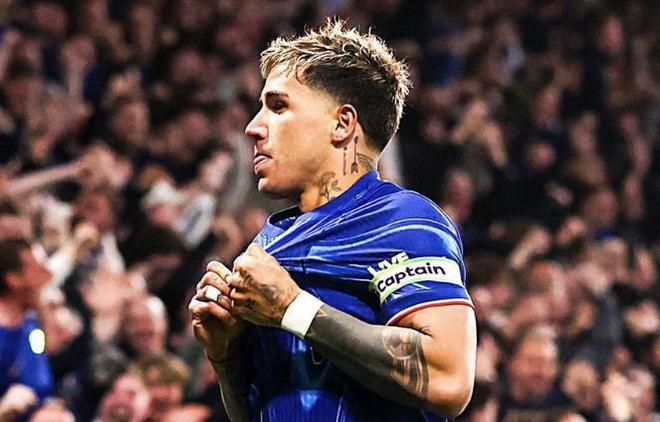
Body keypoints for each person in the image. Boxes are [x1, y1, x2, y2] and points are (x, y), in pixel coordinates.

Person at [189, 21, 476, 421]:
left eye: (278, 106)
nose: (253, 127)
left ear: (342, 124)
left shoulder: (402, 222)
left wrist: (293, 308)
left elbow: (449, 379)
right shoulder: (267, 244)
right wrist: (228, 358)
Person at [0, 238, 53, 402]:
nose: (45, 273)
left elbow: (43, 356)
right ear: (13, 279)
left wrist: (41, 306)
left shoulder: (31, 325)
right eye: (34, 268)